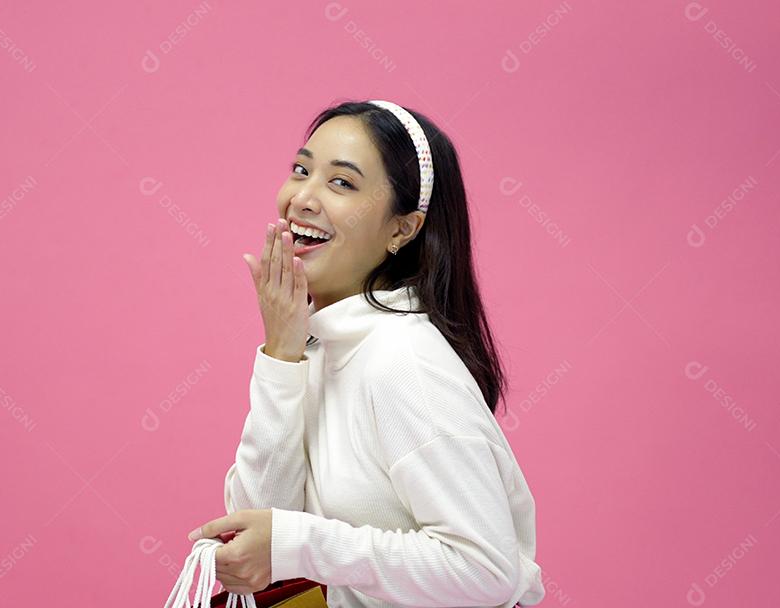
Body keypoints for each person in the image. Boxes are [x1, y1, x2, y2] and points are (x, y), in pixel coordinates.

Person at [187, 99, 545, 607]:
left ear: (403, 229)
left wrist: (302, 545)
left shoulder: (404, 361)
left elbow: (486, 570)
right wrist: (281, 356)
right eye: (301, 170)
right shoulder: (315, 348)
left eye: (342, 183)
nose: (302, 199)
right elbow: (262, 532)